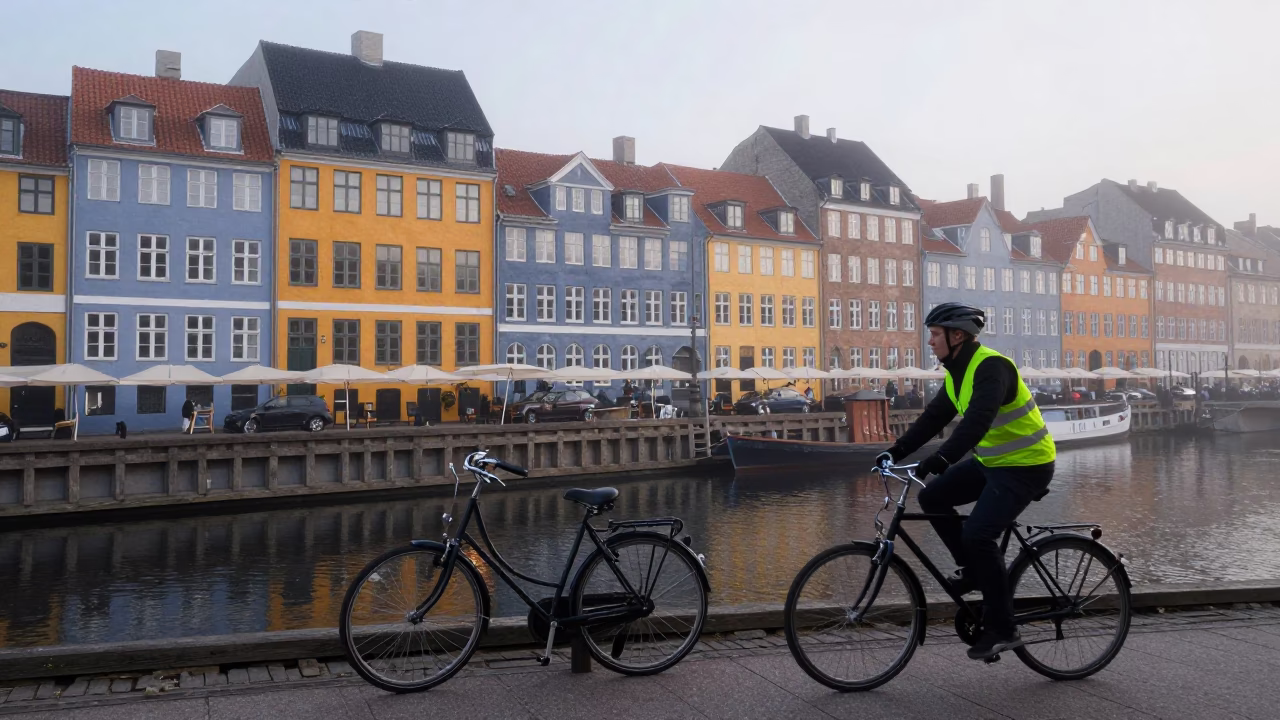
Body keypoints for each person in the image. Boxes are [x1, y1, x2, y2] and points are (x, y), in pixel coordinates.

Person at [874, 303, 1056, 661]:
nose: (929, 341)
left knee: (978, 534)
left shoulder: (991, 367)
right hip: (993, 463)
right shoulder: (959, 372)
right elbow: (934, 417)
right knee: (933, 498)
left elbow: (977, 422)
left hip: (1027, 465)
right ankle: (973, 571)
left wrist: (940, 459)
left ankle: (1004, 629)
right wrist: (895, 452)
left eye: (935, 334)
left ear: (957, 336)